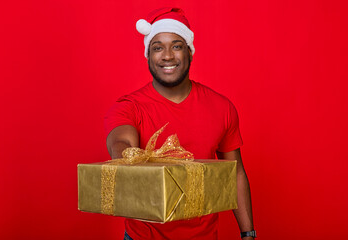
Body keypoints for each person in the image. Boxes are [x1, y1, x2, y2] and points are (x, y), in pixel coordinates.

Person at [104, 7, 255, 240]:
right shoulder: (129, 106)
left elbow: (235, 174)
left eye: (176, 46)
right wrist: (127, 156)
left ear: (190, 52)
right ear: (148, 55)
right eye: (157, 47)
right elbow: (121, 142)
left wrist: (248, 233)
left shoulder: (221, 107)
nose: (167, 56)